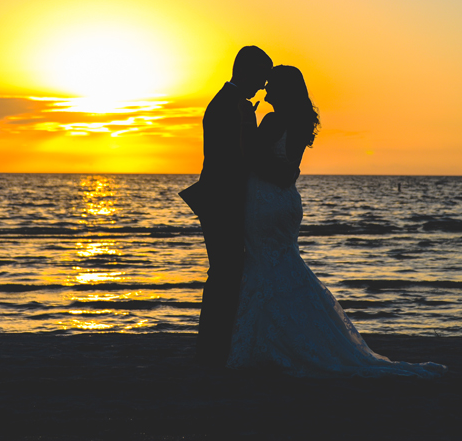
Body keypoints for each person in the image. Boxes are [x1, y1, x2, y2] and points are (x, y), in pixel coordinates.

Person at [227, 65, 446, 378]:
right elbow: (288, 168)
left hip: (266, 202)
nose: (265, 91)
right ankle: (282, 338)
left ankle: (270, 344)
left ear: (283, 90)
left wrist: (246, 123)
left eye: (271, 86)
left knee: (265, 268)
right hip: (286, 202)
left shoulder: (274, 120)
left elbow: (256, 160)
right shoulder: (300, 123)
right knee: (282, 267)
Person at [180, 46, 276, 367]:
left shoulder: (228, 103)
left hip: (225, 200)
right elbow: (235, 160)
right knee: (225, 274)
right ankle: (213, 350)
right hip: (224, 202)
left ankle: (216, 347)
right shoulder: (230, 106)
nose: (263, 86)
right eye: (261, 78)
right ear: (245, 72)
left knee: (227, 273)